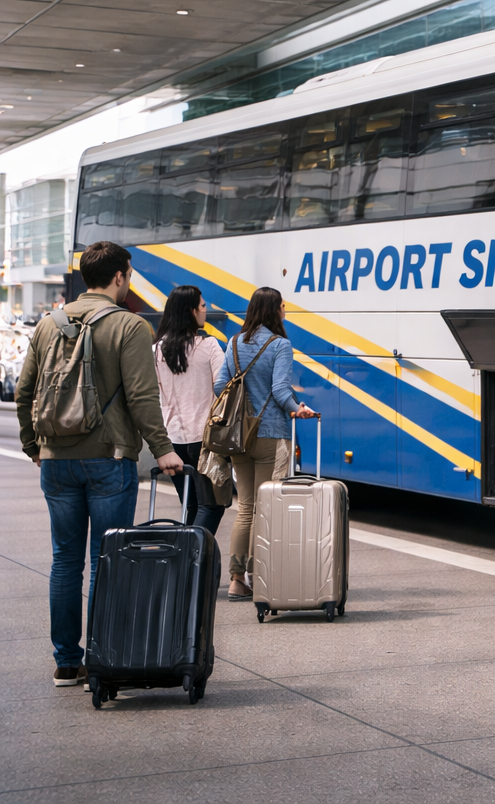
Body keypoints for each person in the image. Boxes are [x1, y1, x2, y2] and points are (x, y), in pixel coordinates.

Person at [17, 242, 181, 688]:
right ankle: (102, 659)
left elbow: (25, 392)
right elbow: (142, 396)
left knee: (65, 562)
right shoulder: (129, 325)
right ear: (119, 276)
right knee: (107, 561)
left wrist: (34, 446)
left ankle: (66, 662)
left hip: (56, 461)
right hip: (109, 459)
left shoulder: (48, 324)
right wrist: (163, 448)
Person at [215, 286, 315, 601]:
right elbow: (281, 389)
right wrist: (297, 409)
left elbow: (219, 385)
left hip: (238, 437)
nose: (285, 311)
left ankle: (236, 580)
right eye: (282, 306)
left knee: (245, 507)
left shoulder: (233, 343)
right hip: (270, 434)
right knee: (266, 509)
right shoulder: (280, 345)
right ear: (274, 310)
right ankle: (260, 578)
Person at [153, 285, 226, 533]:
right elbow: (224, 388)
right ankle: (193, 553)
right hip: (204, 440)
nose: (206, 310)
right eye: (203, 306)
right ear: (192, 311)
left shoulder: (156, 350)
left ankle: (188, 554)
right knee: (212, 505)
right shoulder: (209, 346)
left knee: (190, 505)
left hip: (172, 441)